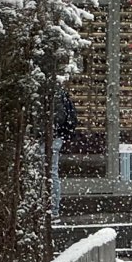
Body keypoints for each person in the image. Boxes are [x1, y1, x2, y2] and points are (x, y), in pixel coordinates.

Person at [52, 88, 78, 219]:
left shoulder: (54, 94)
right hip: (54, 138)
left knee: (50, 173)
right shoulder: (58, 93)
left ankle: (53, 209)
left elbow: (58, 117)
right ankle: (53, 209)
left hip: (49, 138)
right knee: (51, 173)